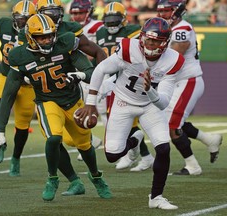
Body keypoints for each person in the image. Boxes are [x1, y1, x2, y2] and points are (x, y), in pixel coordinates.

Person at [0, 14, 112, 201]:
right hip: (47, 102)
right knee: (53, 138)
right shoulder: (20, 56)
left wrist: (79, 75)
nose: (48, 40)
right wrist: (0, 131)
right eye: (42, 37)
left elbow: (91, 72)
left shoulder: (65, 44)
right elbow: (8, 94)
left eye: (50, 35)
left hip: (73, 101)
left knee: (85, 145)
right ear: (31, 37)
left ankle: (96, 176)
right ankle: (52, 179)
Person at [78, 17, 185, 210]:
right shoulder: (129, 48)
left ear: (166, 42)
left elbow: (163, 103)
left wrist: (149, 90)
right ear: (142, 37)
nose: (151, 44)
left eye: (157, 41)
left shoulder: (173, 60)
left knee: (163, 148)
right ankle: (135, 141)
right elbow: (101, 69)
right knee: (112, 155)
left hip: (150, 105)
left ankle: (156, 197)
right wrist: (91, 102)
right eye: (149, 39)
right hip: (122, 101)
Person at [17, 0, 108, 162]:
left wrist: (98, 77)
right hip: (45, 88)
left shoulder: (69, 30)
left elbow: (96, 51)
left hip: (69, 84)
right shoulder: (27, 32)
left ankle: (92, 143)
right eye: (48, 12)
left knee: (76, 132)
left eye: (56, 12)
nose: (54, 16)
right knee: (56, 135)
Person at [156, 0, 223, 175]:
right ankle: (210, 139)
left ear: (177, 12)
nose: (162, 15)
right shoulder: (168, 29)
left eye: (167, 11)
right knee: (172, 120)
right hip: (176, 82)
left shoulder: (182, 29)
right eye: (160, 11)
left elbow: (175, 56)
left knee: (172, 124)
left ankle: (192, 166)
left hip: (188, 81)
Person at [95, 1, 155, 171]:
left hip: (127, 81)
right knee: (123, 121)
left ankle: (131, 154)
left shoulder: (133, 31)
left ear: (123, 20)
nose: (112, 24)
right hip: (111, 79)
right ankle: (145, 156)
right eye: (109, 20)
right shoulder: (100, 32)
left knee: (124, 120)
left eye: (115, 20)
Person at [0, 0, 37, 177]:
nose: (22, 22)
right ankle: (0, 140)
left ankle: (16, 158)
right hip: (7, 75)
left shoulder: (38, 32)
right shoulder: (4, 25)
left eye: (26, 19)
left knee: (22, 125)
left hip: (27, 82)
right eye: (19, 18)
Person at [69, 0, 104, 161]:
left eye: (80, 13)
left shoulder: (98, 26)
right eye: (74, 13)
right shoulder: (70, 27)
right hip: (80, 74)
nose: (77, 16)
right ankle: (89, 141)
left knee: (104, 111)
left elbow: (98, 51)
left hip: (97, 73)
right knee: (83, 109)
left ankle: (124, 145)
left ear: (88, 12)